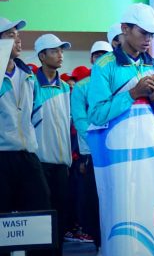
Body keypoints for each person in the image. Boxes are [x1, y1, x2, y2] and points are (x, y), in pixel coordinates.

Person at [0, 18, 53, 253]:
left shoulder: (28, 74)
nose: (18, 40)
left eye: (18, 35)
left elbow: (34, 111)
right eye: (10, 35)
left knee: (40, 213)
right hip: (2, 156)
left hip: (28, 155)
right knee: (3, 221)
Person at [87, 4, 154, 129]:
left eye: (151, 34)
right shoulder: (103, 66)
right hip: (117, 141)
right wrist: (133, 93)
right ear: (125, 29)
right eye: (143, 32)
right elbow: (96, 116)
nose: (148, 39)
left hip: (151, 141)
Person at [32, 34, 72, 256]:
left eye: (61, 50)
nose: (60, 55)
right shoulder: (31, 84)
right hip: (39, 163)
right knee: (41, 219)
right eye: (55, 51)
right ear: (42, 56)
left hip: (62, 164)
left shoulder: (65, 87)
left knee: (62, 217)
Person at [69, 41, 110, 252]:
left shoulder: (116, 83)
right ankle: (98, 245)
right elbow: (80, 120)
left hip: (116, 154)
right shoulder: (82, 87)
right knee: (92, 204)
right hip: (91, 154)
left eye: (105, 54)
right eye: (97, 54)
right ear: (91, 59)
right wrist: (98, 141)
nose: (101, 58)